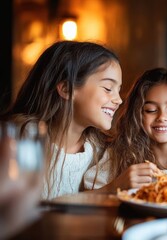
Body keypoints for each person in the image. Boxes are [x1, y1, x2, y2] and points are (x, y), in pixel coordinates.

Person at [0, 41, 123, 200]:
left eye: (118, 90)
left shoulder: (102, 152)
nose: (119, 100)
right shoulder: (19, 140)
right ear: (66, 89)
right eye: (108, 88)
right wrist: (110, 189)